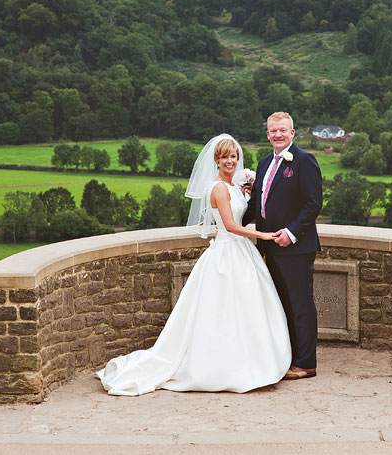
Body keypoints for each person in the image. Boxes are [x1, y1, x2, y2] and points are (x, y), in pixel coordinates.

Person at [96, 135, 291, 396]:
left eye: (233, 156)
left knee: (247, 308)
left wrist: (244, 194)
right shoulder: (219, 188)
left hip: (242, 253)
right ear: (216, 160)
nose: (230, 161)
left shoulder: (232, 186)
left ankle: (253, 361)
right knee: (222, 311)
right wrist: (264, 235)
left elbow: (240, 212)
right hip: (226, 253)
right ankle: (225, 367)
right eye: (224, 157)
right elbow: (231, 226)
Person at [243, 112, 323, 380]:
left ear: (292, 133)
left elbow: (313, 204)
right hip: (269, 246)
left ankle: (306, 364)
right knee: (282, 305)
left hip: (296, 247)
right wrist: (230, 219)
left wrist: (291, 232)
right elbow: (257, 205)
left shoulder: (304, 161)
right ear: (267, 134)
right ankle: (289, 357)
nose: (277, 134)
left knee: (300, 305)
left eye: (282, 130)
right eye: (272, 131)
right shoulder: (264, 163)